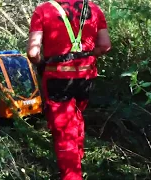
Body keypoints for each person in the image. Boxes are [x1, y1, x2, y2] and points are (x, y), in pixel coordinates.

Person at [26, 0, 111, 179]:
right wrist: (88, 55)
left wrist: (41, 64)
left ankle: (72, 175)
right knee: (77, 116)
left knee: (65, 130)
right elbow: (105, 45)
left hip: (58, 79)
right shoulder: (94, 9)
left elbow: (33, 53)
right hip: (86, 78)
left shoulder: (43, 10)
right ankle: (78, 157)